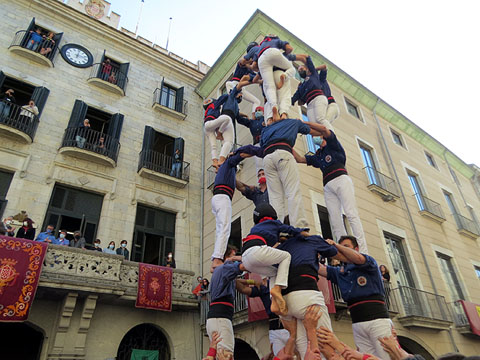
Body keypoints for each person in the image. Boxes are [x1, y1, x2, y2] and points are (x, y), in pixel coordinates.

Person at [293, 122, 368, 254]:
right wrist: (285, 144)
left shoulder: (333, 144)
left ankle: (362, 250)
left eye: (317, 136)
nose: (314, 138)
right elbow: (299, 159)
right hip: (328, 185)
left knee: (351, 214)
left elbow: (323, 128)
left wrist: (301, 122)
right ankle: (342, 250)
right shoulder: (319, 155)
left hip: (341, 179)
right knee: (335, 219)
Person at [319, 235, 392, 358]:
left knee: (387, 356)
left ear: (356, 248)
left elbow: (357, 258)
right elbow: (319, 269)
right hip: (357, 322)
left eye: (346, 247)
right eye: (341, 247)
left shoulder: (368, 262)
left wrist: (336, 246)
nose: (342, 250)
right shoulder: (340, 271)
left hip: (377, 320)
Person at [276, 233, 338, 359]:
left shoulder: (279, 248)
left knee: (305, 349)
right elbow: (333, 251)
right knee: (325, 345)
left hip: (286, 302)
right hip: (307, 295)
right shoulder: (311, 240)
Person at [241, 203, 310, 316]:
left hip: (246, 258)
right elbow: (291, 230)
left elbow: (264, 255)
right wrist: (304, 233)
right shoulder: (273, 223)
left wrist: (263, 276)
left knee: (275, 272)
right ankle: (277, 289)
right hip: (256, 251)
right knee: (286, 256)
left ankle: (274, 300)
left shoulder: (255, 228)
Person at [259, 118, 323, 228]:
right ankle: (299, 225)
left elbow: (261, 145)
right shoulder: (293, 122)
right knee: (292, 191)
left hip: (267, 159)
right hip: (283, 153)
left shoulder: (266, 129)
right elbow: (317, 132)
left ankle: (276, 227)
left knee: (275, 197)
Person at [210, 144, 262, 271]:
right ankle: (217, 259)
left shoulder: (225, 173)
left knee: (220, 229)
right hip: (223, 197)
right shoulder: (228, 164)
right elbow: (243, 154)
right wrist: (260, 151)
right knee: (225, 228)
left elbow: (239, 185)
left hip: (217, 198)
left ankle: (216, 259)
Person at [206, 245, 246, 360]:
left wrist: (251, 281)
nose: (235, 257)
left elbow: (237, 281)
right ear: (226, 257)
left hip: (217, 317)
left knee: (219, 355)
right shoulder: (225, 267)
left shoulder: (221, 271)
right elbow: (246, 264)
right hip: (221, 318)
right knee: (227, 356)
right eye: (233, 255)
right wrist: (235, 259)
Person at [203, 77, 250, 169]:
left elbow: (238, 117)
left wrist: (246, 117)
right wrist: (245, 82)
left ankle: (218, 162)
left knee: (226, 142)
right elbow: (232, 91)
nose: (240, 95)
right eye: (240, 94)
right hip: (224, 119)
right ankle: (220, 134)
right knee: (227, 119)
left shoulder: (235, 105)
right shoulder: (230, 97)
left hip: (220, 123)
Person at [236, 278, 289, 357]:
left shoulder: (288, 283)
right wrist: (253, 281)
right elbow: (242, 287)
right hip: (274, 330)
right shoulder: (264, 288)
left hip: (289, 326)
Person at [255, 36, 296, 121]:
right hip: (274, 56)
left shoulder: (259, 48)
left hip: (262, 60)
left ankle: (274, 107)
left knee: (269, 87)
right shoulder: (276, 40)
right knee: (292, 69)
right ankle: (283, 114)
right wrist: (284, 54)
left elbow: (254, 67)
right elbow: (289, 48)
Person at [292, 56, 332, 137]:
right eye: (299, 70)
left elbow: (310, 61)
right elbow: (294, 98)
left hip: (318, 98)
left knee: (320, 119)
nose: (300, 71)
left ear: (307, 69)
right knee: (314, 125)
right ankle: (322, 141)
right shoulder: (301, 86)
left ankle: (332, 136)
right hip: (310, 104)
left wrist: (312, 69)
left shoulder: (313, 74)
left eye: (302, 69)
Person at [237, 106, 266, 170]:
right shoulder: (251, 122)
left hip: (266, 143)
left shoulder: (266, 119)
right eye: (256, 111)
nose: (257, 112)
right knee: (259, 164)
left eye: (259, 110)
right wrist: (238, 112)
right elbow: (239, 119)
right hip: (257, 144)